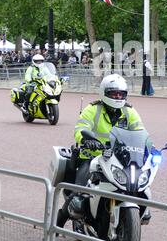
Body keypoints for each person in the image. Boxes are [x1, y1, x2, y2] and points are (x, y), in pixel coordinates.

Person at [57, 73, 148, 226]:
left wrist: (147, 145)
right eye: (114, 93)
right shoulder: (93, 109)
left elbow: (141, 131)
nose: (118, 96)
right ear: (104, 93)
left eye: (121, 94)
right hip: (92, 156)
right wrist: (86, 139)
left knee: (137, 182)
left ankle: (139, 209)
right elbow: (80, 128)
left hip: (118, 158)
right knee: (77, 195)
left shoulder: (129, 111)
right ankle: (57, 226)